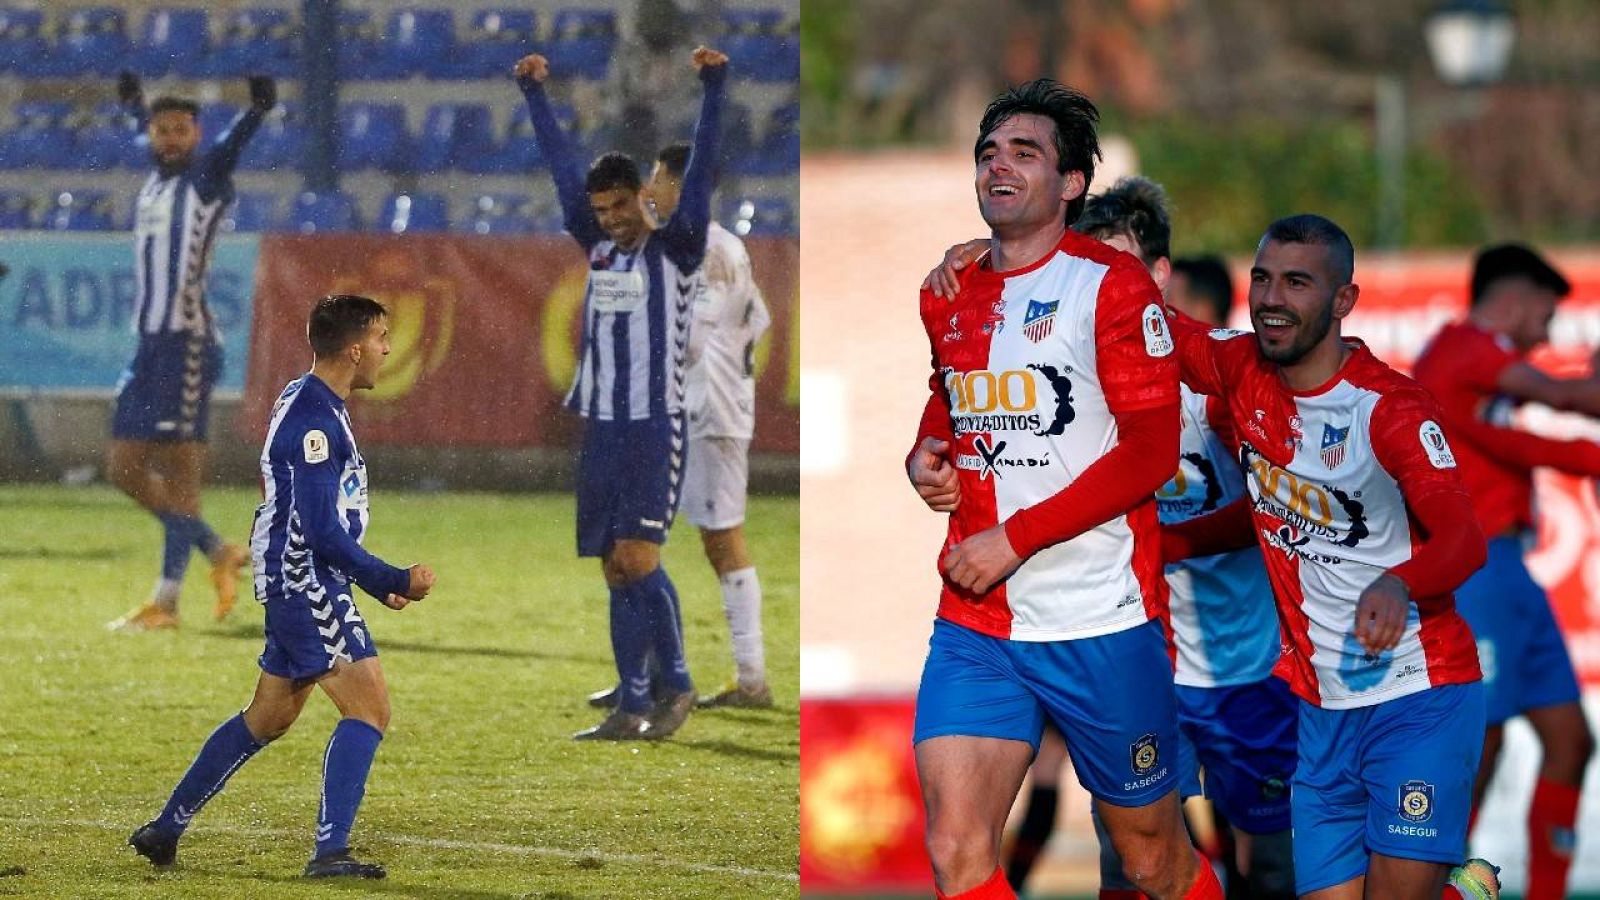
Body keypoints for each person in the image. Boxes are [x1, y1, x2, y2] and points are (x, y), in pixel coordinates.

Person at [927, 183, 1295, 897]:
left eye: (1114, 267)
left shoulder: (1213, 378)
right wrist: (933, 455)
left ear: (1159, 275)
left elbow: (1273, 506)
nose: (1094, 287)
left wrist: (1164, 538)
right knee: (1128, 863)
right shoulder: (1060, 372)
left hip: (1240, 671)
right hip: (1127, 649)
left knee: (1271, 867)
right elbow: (956, 395)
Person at [906, 79, 1221, 900]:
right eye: (988, 153)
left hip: (1099, 620)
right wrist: (924, 455)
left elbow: (1151, 454)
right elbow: (946, 398)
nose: (998, 166)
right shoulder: (948, 291)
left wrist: (1014, 539)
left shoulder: (1111, 287)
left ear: (1072, 182)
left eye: (1025, 152)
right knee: (955, 850)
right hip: (977, 623)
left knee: (1153, 863)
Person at [1160, 214, 1499, 899]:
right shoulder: (1241, 370)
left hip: (1417, 697)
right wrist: (1025, 249)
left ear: (1343, 300)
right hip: (1319, 710)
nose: (1271, 299)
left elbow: (1464, 539)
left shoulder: (1390, 409)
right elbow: (1147, 326)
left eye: (1297, 283)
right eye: (1262, 279)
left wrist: (1400, 585)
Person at [127, 294, 436, 879]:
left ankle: (165, 829)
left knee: (267, 717)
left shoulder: (308, 398)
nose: (387, 348)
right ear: (354, 349)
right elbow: (319, 530)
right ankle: (330, 853)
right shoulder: (315, 420)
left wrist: (371, 584)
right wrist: (391, 578)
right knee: (369, 710)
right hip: (306, 579)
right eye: (381, 338)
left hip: (299, 576)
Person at [514, 46, 727, 740]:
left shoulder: (679, 247)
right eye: (601, 209)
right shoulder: (598, 248)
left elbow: (702, 167)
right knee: (614, 567)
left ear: (644, 197)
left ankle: (674, 686)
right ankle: (634, 699)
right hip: (602, 428)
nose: (610, 219)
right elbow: (559, 170)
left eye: (619, 205)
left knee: (638, 558)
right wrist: (535, 96)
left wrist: (715, 87)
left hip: (654, 426)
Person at [1411, 244, 1600, 900]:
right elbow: (1558, 397)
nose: (1545, 338)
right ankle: (1432, 885)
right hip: (1476, 573)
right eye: (1545, 318)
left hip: (1512, 569)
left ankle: (1542, 890)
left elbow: (1518, 444)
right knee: (1480, 740)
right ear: (1515, 299)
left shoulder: (1476, 369)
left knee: (1570, 741)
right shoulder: (1463, 348)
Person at [106, 71, 276, 631]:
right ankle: (216, 549)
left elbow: (230, 149)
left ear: (197, 134)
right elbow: (147, 127)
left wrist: (256, 112)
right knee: (123, 467)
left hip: (187, 345)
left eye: (182, 130)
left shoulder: (205, 178)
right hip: (150, 346)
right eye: (163, 131)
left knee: (180, 476)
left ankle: (167, 601)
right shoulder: (157, 179)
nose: (171, 138)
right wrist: (135, 105)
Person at [648, 141, 775, 708]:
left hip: (708, 411)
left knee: (722, 540)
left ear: (681, 184)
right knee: (645, 536)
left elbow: (690, 339)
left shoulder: (706, 249)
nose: (650, 188)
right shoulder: (724, 245)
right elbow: (759, 318)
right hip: (706, 407)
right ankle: (649, 671)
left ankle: (752, 680)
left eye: (657, 177)